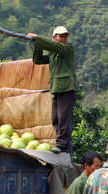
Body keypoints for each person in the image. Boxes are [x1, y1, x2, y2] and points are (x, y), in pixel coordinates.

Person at [27, 26, 79, 154]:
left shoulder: (68, 49)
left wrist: (37, 38)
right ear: (54, 38)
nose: (64, 38)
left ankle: (62, 144)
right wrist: (37, 45)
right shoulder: (53, 53)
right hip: (56, 89)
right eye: (61, 36)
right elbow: (37, 60)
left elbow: (54, 46)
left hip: (66, 88)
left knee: (64, 118)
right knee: (56, 118)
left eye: (65, 36)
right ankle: (63, 145)